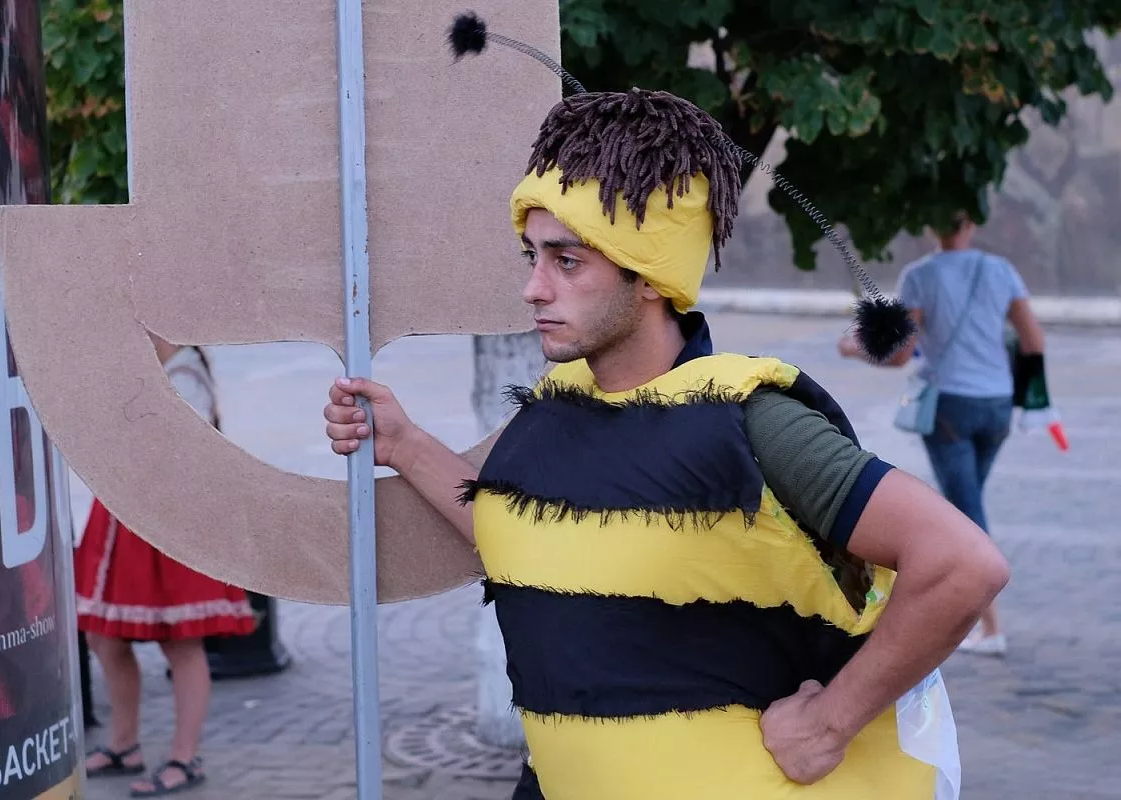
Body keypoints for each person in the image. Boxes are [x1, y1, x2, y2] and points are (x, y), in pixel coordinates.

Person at [323, 14, 1009, 798]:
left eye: (567, 261)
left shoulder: (751, 419)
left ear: (649, 275)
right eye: (533, 256)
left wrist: (831, 722)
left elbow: (962, 564)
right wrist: (404, 442)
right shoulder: (557, 406)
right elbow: (528, 539)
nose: (534, 287)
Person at [839, 212, 1045, 657]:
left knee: (967, 511)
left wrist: (853, 348)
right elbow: (1033, 342)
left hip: (950, 404)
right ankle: (983, 621)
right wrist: (1035, 401)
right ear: (973, 222)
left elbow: (901, 356)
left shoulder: (920, 276)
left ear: (932, 225)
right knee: (969, 500)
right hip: (997, 404)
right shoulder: (1002, 270)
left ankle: (990, 627)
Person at [75, 336, 255, 797]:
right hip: (125, 514)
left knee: (181, 642)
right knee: (104, 638)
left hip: (170, 520)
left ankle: (184, 756)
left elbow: (179, 459)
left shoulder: (186, 376)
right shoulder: (142, 369)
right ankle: (125, 744)